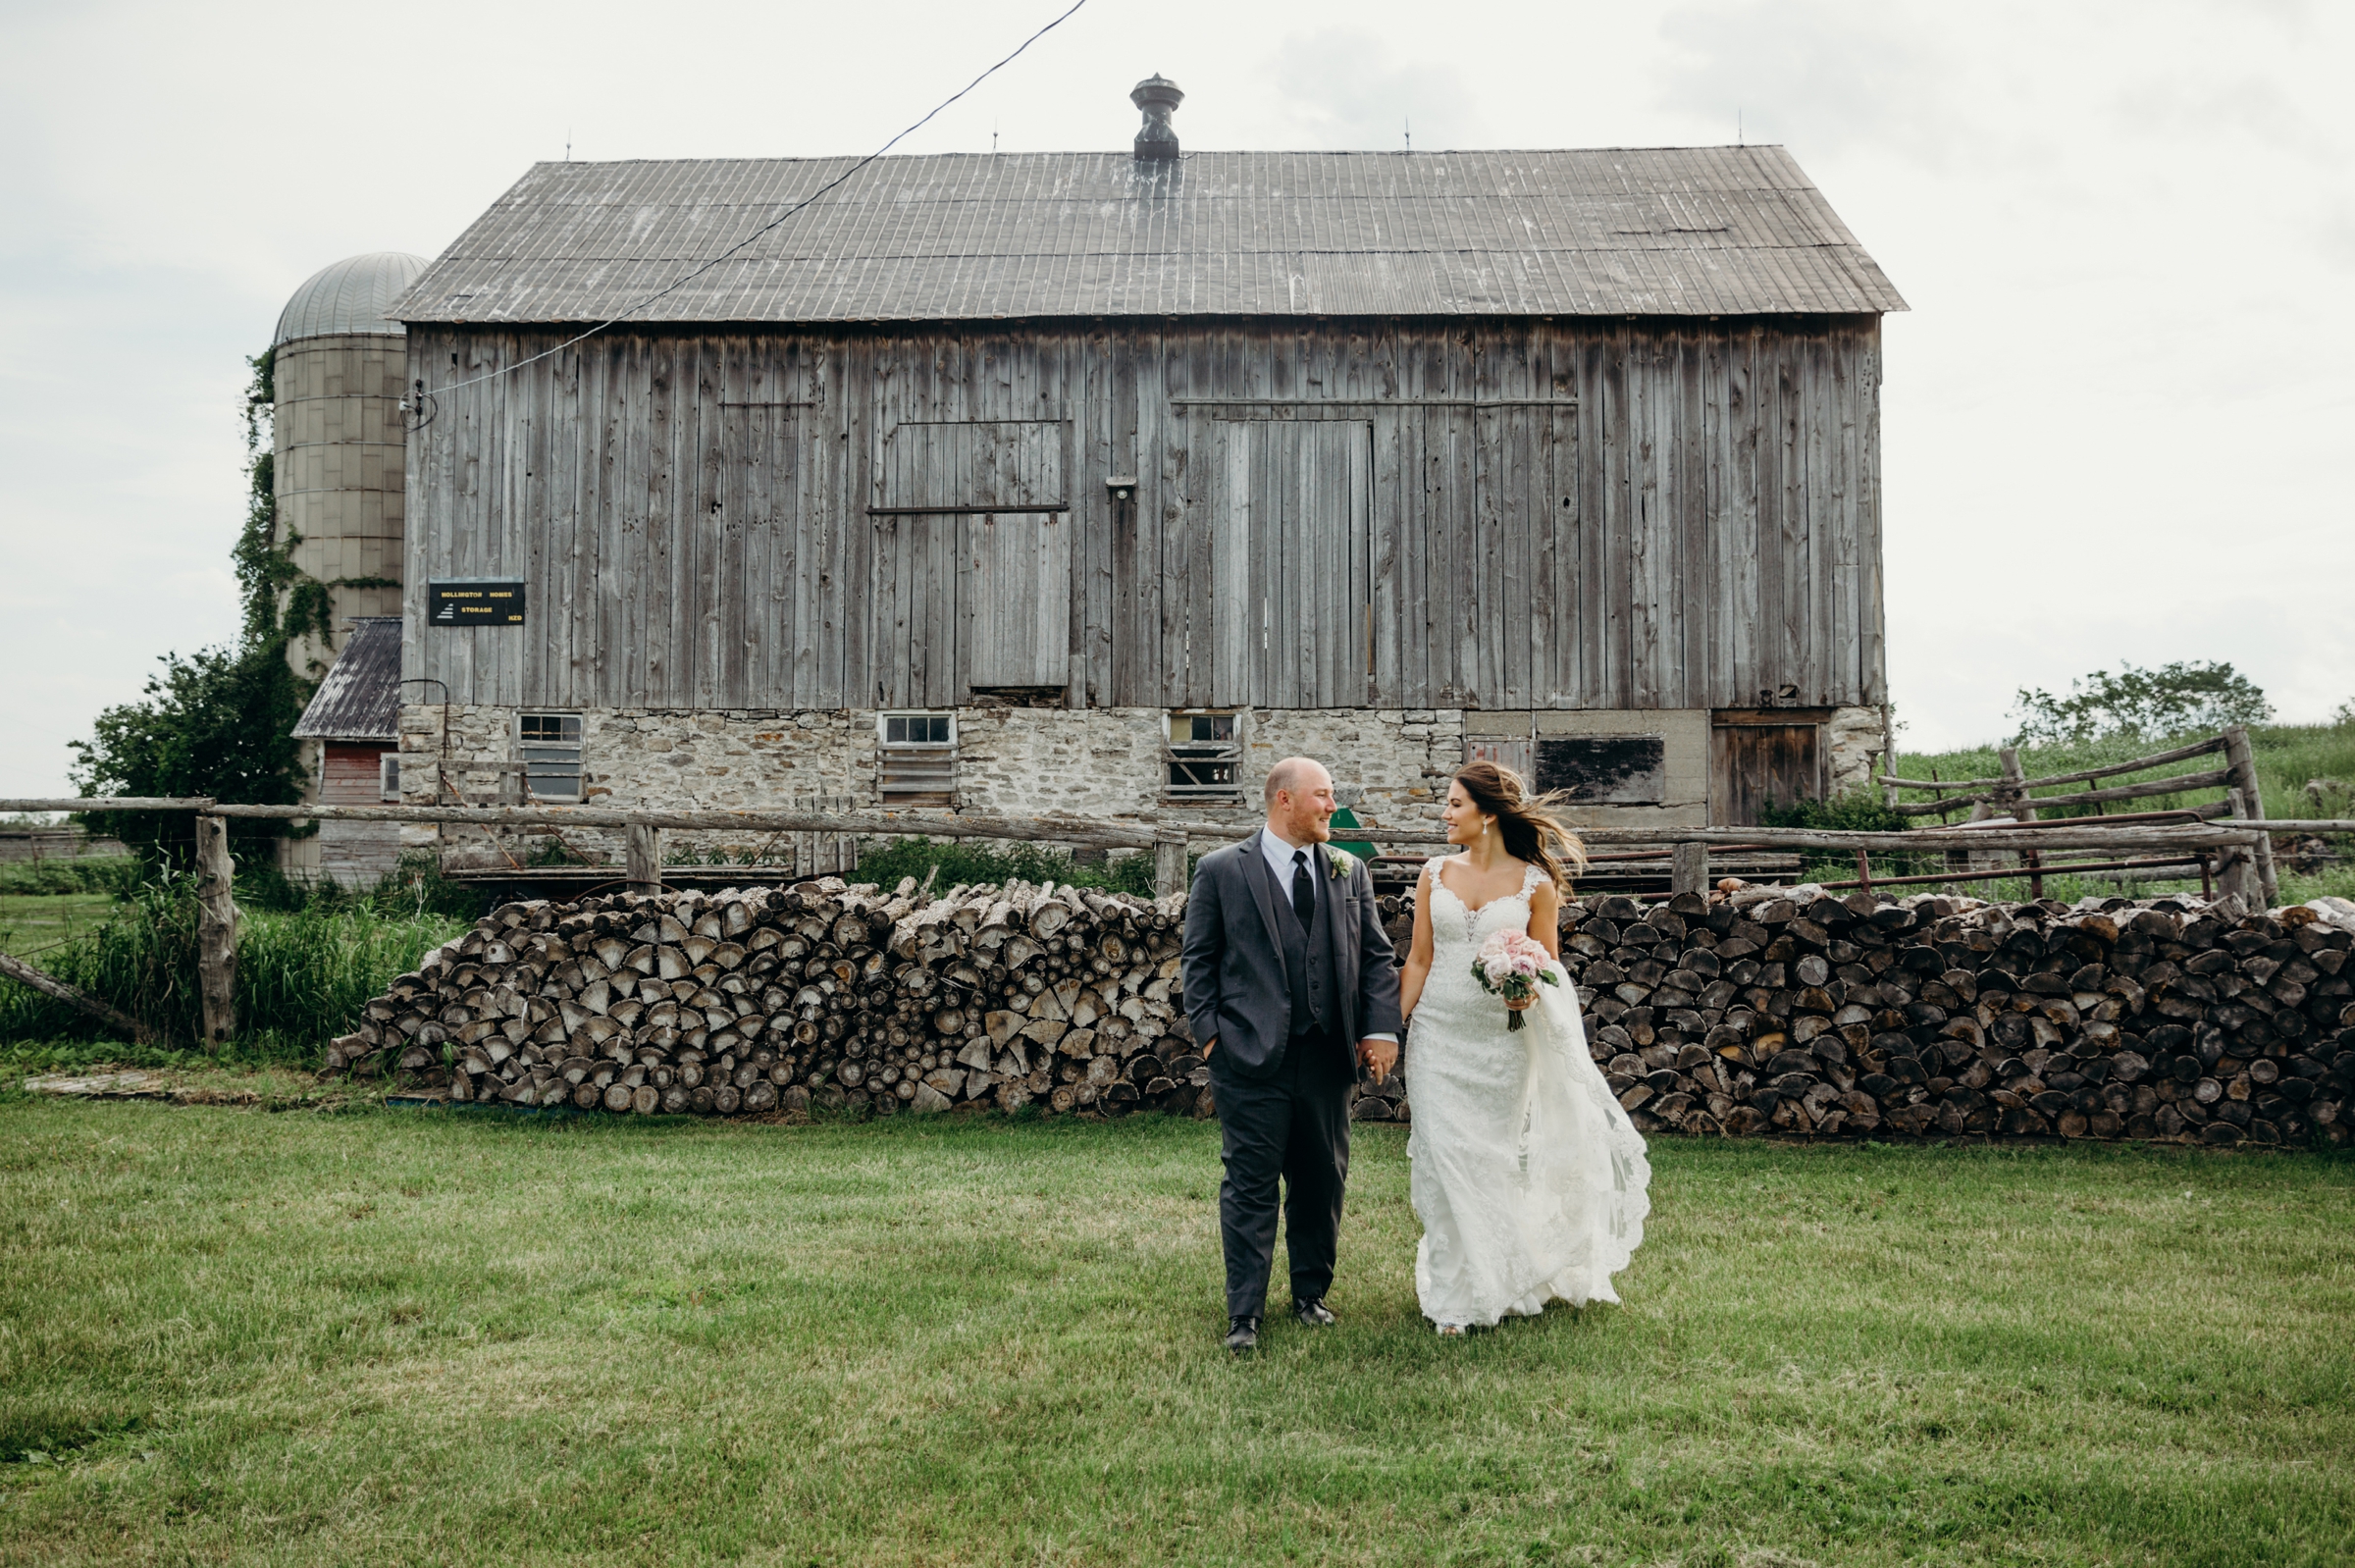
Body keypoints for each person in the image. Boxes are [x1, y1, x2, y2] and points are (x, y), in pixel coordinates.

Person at [1396, 760, 1650, 1334]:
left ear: (1487, 815)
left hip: (1499, 1046)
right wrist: (1389, 1029)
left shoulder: (1537, 885)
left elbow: (1548, 968)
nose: (1445, 813)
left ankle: (1497, 1276)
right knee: (1443, 1162)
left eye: (1455, 804)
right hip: (1437, 1036)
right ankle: (1455, 1299)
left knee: (1488, 1159)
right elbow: (1418, 960)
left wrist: (1526, 993)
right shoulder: (1433, 873)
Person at [1181, 758, 1403, 1355]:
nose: (1333, 806)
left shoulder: (1349, 869)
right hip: (1249, 1058)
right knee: (1249, 1185)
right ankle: (1244, 1314)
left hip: (1329, 1057)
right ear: (1285, 800)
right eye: (1324, 796)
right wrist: (1211, 1040)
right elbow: (1198, 963)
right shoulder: (1221, 870)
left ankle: (1310, 1295)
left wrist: (1381, 1029)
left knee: (1321, 1181)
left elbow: (1378, 958)